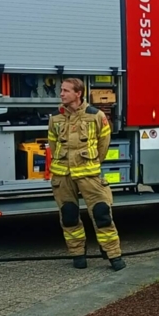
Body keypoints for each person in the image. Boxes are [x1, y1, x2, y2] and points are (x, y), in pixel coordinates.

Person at [47, 78, 125, 271]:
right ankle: (78, 254)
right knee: (69, 216)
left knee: (102, 214)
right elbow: (53, 144)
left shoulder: (96, 115)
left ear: (78, 93)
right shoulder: (55, 117)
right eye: (61, 90)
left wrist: (92, 163)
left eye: (66, 90)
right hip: (63, 176)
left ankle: (113, 255)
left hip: (89, 175)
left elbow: (103, 144)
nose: (61, 94)